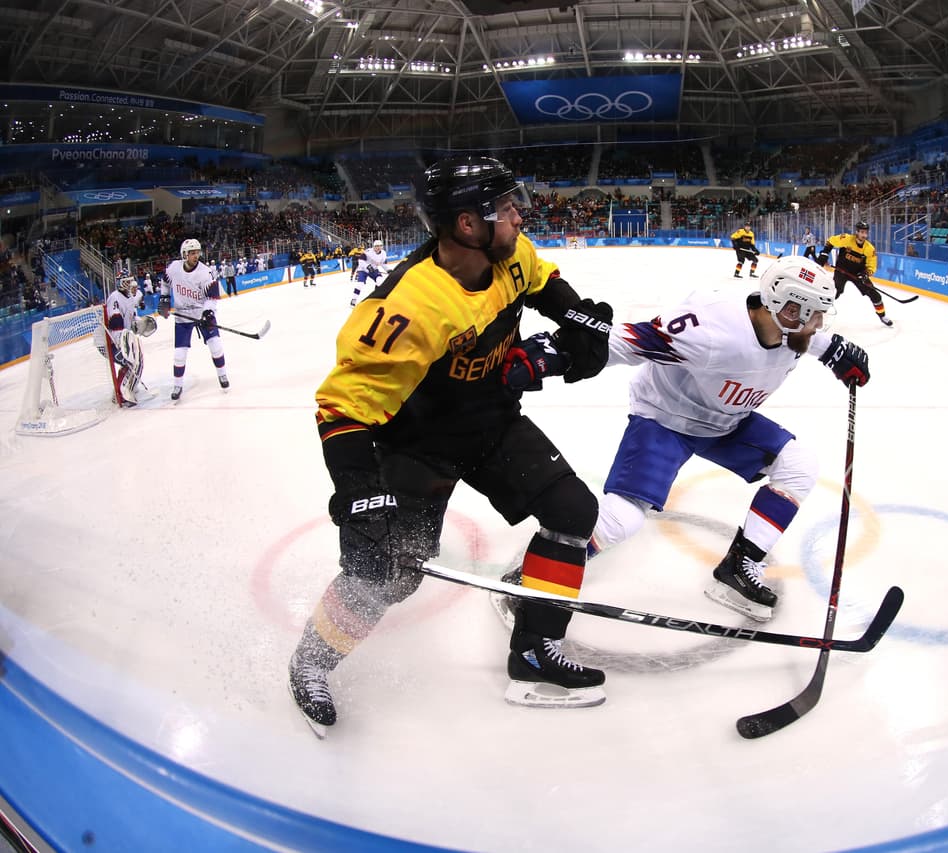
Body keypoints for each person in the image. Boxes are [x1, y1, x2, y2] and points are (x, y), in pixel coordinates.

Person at [287, 155, 615, 734]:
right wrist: (361, 490)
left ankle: (535, 647)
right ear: (468, 225)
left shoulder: (509, 252)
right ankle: (312, 661)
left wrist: (578, 321)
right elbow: (343, 406)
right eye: (507, 209)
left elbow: (543, 281)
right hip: (416, 446)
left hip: (491, 424)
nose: (519, 217)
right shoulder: (408, 306)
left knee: (573, 511)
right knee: (389, 574)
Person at [505, 256, 870, 622]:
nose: (820, 325)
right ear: (789, 311)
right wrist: (559, 354)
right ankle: (531, 581)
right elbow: (627, 342)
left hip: (726, 422)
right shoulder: (712, 330)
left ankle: (738, 566)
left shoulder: (790, 330)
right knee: (623, 520)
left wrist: (835, 351)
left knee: (798, 464)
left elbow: (813, 338)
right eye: (814, 315)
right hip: (665, 421)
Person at [158, 238, 229, 401]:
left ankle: (223, 375)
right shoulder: (174, 268)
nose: (196, 255)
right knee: (179, 354)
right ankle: (177, 385)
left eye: (197, 252)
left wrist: (208, 313)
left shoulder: (205, 272)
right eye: (192, 253)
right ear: (184, 254)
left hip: (201, 313)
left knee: (216, 345)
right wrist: (164, 299)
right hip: (183, 317)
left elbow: (212, 296)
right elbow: (165, 282)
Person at [95, 275, 154, 407]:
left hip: (119, 338)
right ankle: (121, 394)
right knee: (131, 362)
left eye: (131, 281)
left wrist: (140, 324)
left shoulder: (130, 298)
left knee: (135, 361)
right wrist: (121, 344)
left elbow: (130, 321)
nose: (131, 284)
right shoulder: (115, 297)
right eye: (127, 282)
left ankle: (124, 389)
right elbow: (115, 324)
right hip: (107, 342)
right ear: (121, 283)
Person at [818, 220, 891, 327]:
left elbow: (872, 265)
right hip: (841, 271)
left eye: (865, 232)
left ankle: (882, 316)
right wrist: (825, 253)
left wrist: (865, 274)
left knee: (874, 294)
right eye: (861, 232)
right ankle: (819, 311)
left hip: (858, 275)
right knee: (834, 292)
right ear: (857, 232)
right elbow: (831, 241)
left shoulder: (869, 249)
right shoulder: (846, 239)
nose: (864, 235)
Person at [350, 239, 388, 307]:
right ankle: (354, 299)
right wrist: (368, 266)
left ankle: (376, 296)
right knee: (360, 284)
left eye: (380, 246)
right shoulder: (368, 251)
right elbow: (360, 261)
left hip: (374, 270)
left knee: (380, 281)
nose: (378, 247)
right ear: (373, 246)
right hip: (363, 270)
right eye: (376, 246)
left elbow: (383, 264)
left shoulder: (383, 253)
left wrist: (388, 270)